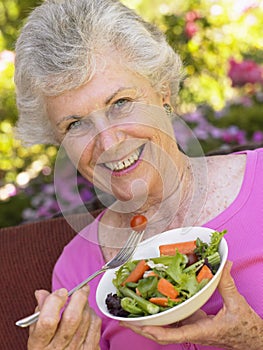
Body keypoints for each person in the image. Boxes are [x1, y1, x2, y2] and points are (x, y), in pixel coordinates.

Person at [14, 0, 263, 349]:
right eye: (75, 124)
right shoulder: (77, 271)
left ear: (162, 93)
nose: (109, 142)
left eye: (120, 103)